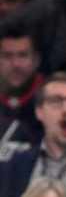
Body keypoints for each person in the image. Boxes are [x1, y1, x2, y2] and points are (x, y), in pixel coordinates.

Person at [0, 27, 43, 158]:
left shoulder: (54, 97)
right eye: (7, 56)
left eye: (23, 55)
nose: (15, 64)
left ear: (36, 60)